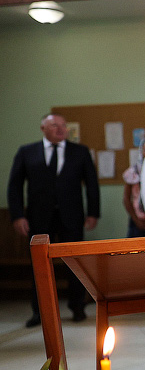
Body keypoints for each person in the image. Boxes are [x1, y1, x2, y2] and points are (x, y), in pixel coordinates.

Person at [8, 113, 101, 326]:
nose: (60, 129)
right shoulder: (27, 152)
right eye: (54, 125)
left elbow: (92, 184)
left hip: (72, 217)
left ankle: (77, 307)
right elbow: (14, 186)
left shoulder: (80, 151)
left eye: (63, 125)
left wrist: (93, 213)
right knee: (39, 266)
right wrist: (17, 215)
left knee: (75, 264)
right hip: (39, 218)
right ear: (43, 128)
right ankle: (39, 312)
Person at [122, 137, 145, 237]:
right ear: (141, 151)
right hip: (138, 220)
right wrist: (136, 219)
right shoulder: (133, 172)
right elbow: (126, 199)